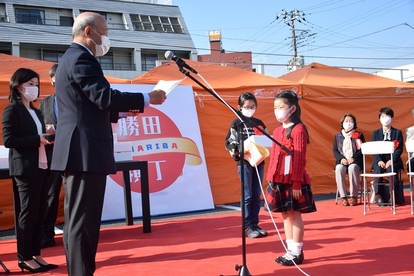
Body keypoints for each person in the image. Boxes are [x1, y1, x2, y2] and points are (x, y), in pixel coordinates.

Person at [50, 12, 166, 276]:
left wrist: (125, 110)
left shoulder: (71, 58)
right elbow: (103, 97)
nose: (107, 38)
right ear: (89, 32)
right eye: (105, 31)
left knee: (78, 222)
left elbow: (91, 104)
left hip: (79, 150)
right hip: (84, 151)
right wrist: (148, 98)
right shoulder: (81, 57)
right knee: (83, 224)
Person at [2, 68, 58, 273]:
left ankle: (35, 254)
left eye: (36, 84)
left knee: (39, 212)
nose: (35, 88)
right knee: (27, 212)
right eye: (31, 84)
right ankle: (24, 257)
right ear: (19, 86)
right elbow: (9, 140)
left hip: (42, 165)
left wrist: (47, 134)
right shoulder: (12, 110)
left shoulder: (37, 111)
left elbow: (38, 135)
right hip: (25, 168)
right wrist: (37, 139)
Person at [265, 90, 316, 266]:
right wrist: (271, 178)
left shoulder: (299, 129)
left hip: (293, 180)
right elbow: (274, 157)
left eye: (281, 107)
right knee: (285, 215)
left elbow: (300, 158)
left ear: (292, 108)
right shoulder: (277, 130)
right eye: (275, 107)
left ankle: (297, 251)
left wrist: (297, 183)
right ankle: (290, 250)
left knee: (295, 215)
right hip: (278, 180)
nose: (277, 110)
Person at [225, 92, 268, 239]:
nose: (250, 109)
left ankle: (255, 224)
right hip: (244, 162)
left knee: (256, 194)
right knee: (248, 194)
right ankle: (247, 226)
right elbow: (229, 142)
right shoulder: (236, 123)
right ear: (240, 107)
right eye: (247, 107)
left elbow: (266, 140)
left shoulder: (259, 123)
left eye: (253, 106)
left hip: (259, 161)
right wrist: (239, 149)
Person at [39, 63, 62, 248]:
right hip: (52, 154)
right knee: (51, 194)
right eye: (55, 80)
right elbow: (40, 128)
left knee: (75, 194)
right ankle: (47, 234)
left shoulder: (78, 100)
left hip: (75, 153)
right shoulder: (45, 103)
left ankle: (77, 231)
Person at [371, 107, 404, 205]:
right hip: (379, 160)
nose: (385, 118)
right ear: (379, 118)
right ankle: (378, 194)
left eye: (388, 116)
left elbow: (399, 149)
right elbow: (373, 149)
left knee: (391, 170)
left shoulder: (397, 132)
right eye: (383, 116)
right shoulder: (375, 133)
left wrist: (391, 160)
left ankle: (392, 195)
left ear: (392, 118)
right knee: (378, 169)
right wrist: (379, 160)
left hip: (393, 160)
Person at [333, 113, 366, 206]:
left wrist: (353, 158)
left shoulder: (358, 135)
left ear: (354, 123)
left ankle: (353, 196)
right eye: (346, 121)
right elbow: (335, 150)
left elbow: (362, 149)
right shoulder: (337, 136)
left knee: (353, 168)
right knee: (339, 168)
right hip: (342, 161)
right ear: (342, 123)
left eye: (351, 121)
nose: (349, 123)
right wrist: (341, 159)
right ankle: (343, 197)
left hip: (354, 161)